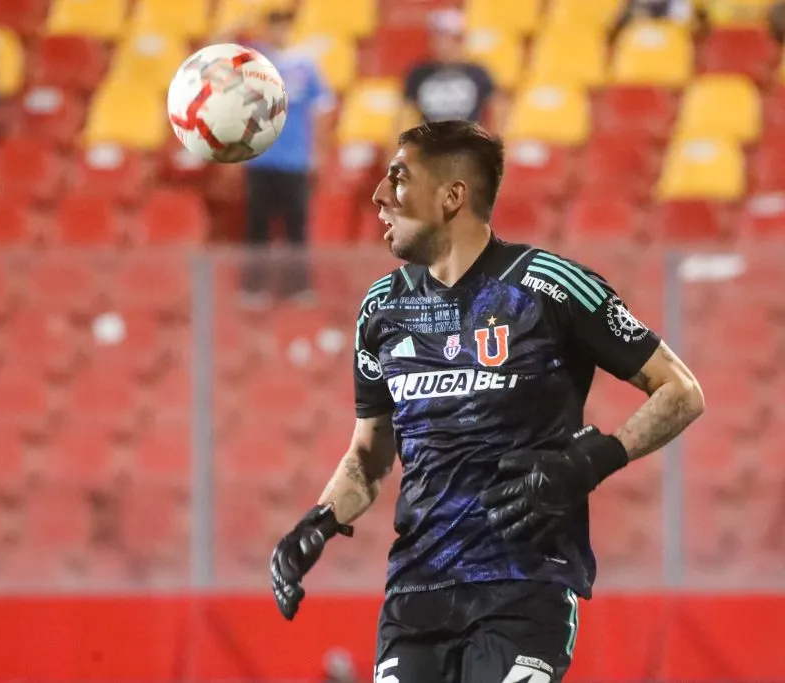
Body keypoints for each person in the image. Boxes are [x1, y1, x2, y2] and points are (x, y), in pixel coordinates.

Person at [269, 120, 705, 682]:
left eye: (399, 179)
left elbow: (680, 391)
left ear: (453, 196)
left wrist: (591, 461)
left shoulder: (550, 286)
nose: (378, 195)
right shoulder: (380, 309)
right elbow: (370, 455)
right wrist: (319, 522)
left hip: (524, 587)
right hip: (416, 594)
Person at [237, 9, 334, 304]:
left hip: (295, 160)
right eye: (274, 27)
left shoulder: (305, 66)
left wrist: (318, 150)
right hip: (261, 157)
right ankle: (254, 287)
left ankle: (298, 287)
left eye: (284, 27)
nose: (279, 33)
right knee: (258, 226)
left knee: (296, 227)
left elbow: (322, 108)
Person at [398, 9, 497, 134]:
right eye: (435, 38)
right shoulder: (418, 73)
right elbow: (404, 114)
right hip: (430, 144)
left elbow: (497, 109)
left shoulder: (478, 73)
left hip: (467, 144)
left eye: (445, 38)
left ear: (459, 40)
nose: (439, 44)